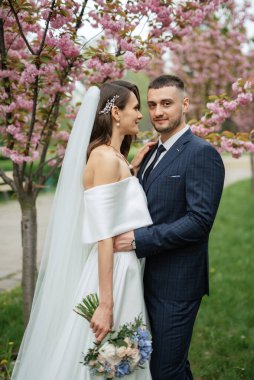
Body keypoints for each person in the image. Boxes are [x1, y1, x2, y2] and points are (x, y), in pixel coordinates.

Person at [11, 82, 155, 380]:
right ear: (116, 113)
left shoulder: (114, 157)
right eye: (136, 108)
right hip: (112, 273)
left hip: (125, 268)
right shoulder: (103, 157)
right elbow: (104, 234)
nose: (140, 115)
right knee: (107, 359)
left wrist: (133, 170)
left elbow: (118, 206)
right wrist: (105, 304)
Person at [114, 74, 225, 380]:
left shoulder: (201, 153)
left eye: (166, 103)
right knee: (165, 366)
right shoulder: (150, 153)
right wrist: (132, 171)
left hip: (176, 283)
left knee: (165, 370)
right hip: (144, 279)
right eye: (152, 105)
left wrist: (138, 240)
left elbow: (199, 221)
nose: (158, 111)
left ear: (184, 104)